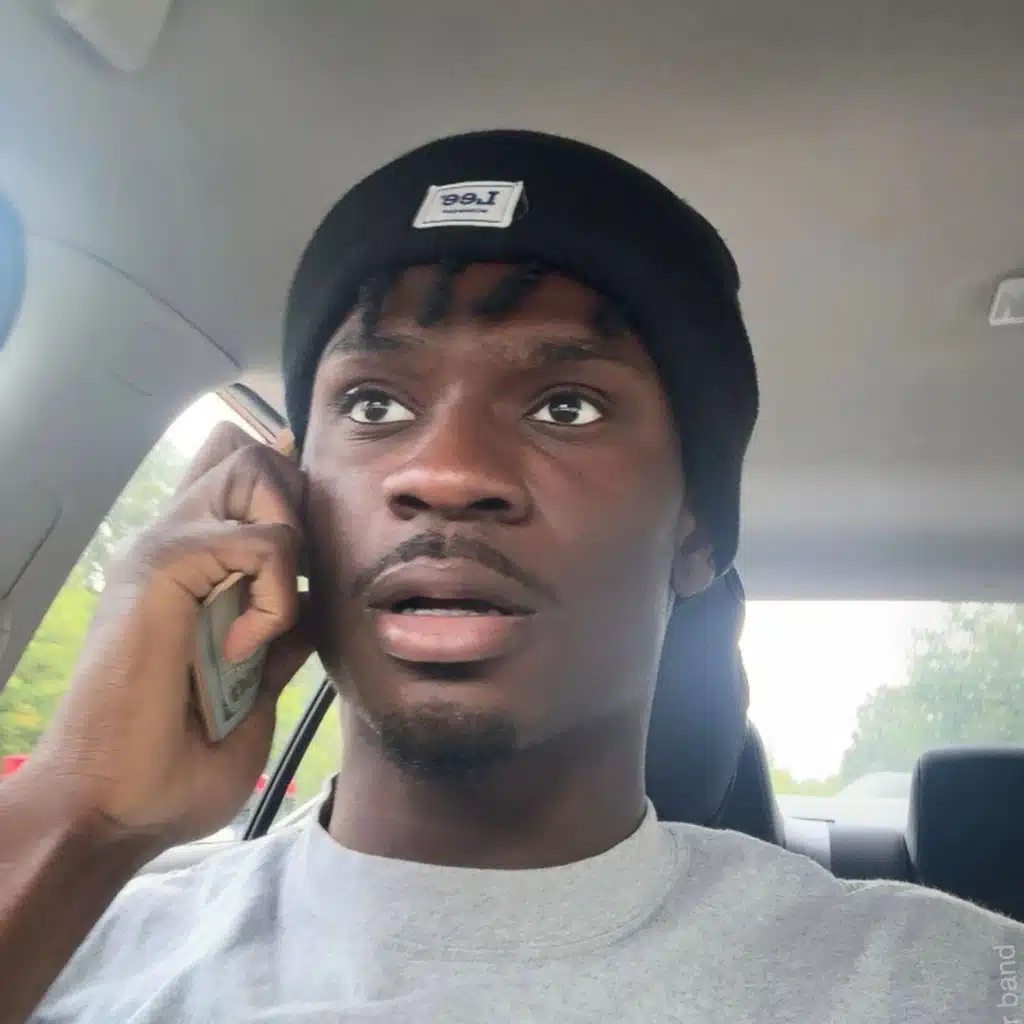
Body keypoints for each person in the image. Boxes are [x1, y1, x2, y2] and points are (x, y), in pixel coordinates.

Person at [1, 130, 1019, 1023]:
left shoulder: (952, 982)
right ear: (285, 501)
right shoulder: (66, 935)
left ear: (696, 536)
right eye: (373, 406)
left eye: (567, 406)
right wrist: (81, 813)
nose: (443, 472)